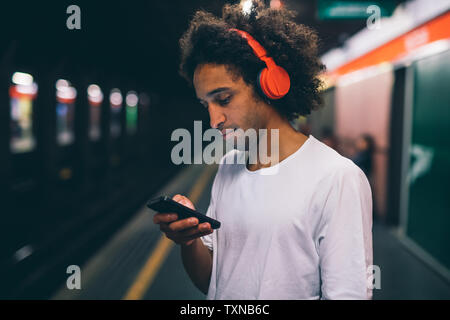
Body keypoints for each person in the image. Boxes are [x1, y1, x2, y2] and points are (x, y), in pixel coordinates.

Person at [153, 1, 373, 300]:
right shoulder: (229, 165)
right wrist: (189, 241)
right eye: (207, 104)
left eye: (224, 99)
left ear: (271, 85)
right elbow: (212, 282)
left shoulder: (337, 177)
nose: (214, 120)